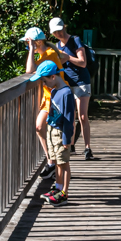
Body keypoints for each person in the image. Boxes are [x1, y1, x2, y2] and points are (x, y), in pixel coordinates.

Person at [22, 26, 68, 180]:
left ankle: (53, 164)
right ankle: (52, 163)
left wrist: (31, 49)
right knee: (40, 127)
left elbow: (29, 70)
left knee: (45, 128)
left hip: (55, 97)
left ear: (38, 42)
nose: (27, 45)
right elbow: (64, 57)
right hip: (49, 97)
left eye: (28, 42)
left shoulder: (48, 54)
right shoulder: (47, 53)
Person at [29, 59, 74, 205]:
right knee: (57, 162)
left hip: (61, 133)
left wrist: (67, 139)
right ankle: (58, 188)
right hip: (52, 131)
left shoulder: (66, 93)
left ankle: (64, 193)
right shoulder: (54, 91)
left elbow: (69, 119)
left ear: (53, 77)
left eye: (45, 80)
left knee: (64, 163)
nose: (44, 84)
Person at [49, 17, 93, 159]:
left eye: (59, 30)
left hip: (81, 82)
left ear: (64, 27)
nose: (58, 34)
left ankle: (87, 148)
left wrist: (68, 57)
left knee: (82, 116)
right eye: (55, 32)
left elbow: (83, 62)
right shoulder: (57, 46)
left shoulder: (75, 40)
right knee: (70, 116)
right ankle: (71, 145)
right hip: (67, 84)